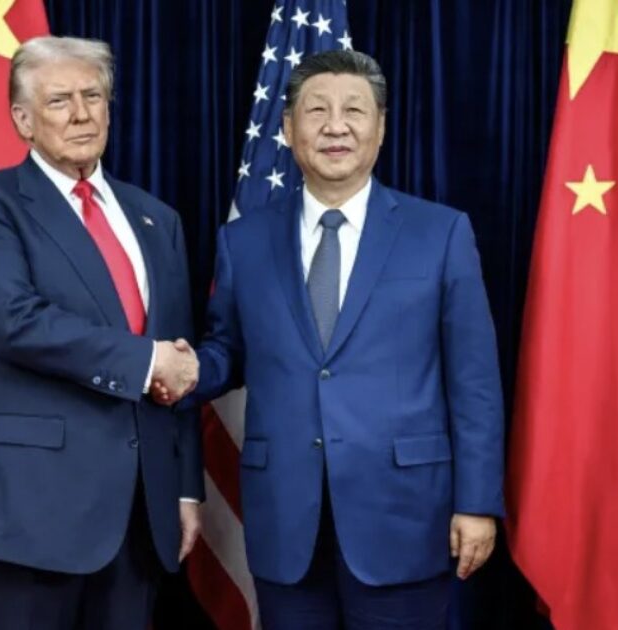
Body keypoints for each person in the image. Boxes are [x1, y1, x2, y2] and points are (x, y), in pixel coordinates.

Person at [157, 50, 505, 629]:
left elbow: (474, 383)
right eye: (316, 110)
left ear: (381, 126)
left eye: (354, 110)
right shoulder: (244, 241)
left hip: (405, 518)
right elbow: (230, 350)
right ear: (290, 129)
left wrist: (477, 503)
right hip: (286, 521)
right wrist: (190, 369)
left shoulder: (440, 233)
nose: (335, 125)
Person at [0, 35, 203, 630]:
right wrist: (147, 362)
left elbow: (177, 357)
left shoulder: (158, 218)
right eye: (60, 101)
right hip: (28, 511)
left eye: (93, 96)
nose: (82, 114)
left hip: (139, 515)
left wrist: (184, 488)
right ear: (23, 120)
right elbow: (12, 320)